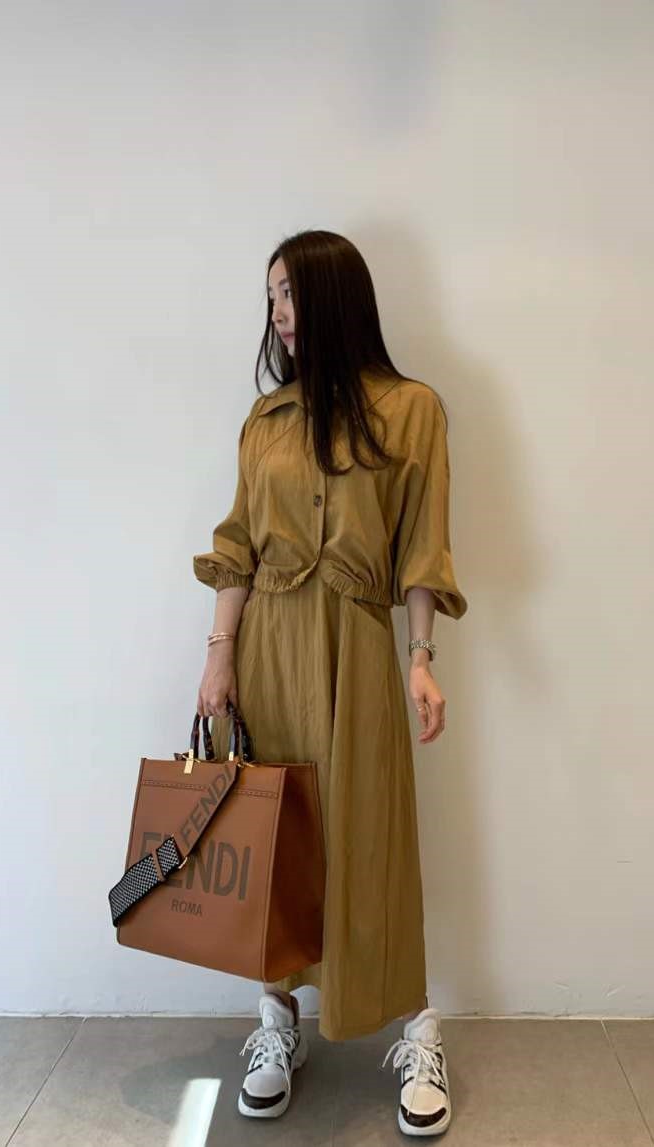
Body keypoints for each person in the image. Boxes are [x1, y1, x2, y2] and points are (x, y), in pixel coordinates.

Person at [192, 229, 468, 1137]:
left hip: (356, 644)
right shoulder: (265, 421)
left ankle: (418, 1029)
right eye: (271, 295)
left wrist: (420, 658)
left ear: (336, 295)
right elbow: (237, 545)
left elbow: (422, 547)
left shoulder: (412, 410)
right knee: (275, 839)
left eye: (291, 292)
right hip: (268, 646)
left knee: (369, 836)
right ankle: (277, 1020)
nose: (279, 311)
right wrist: (219, 654)